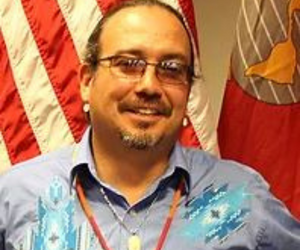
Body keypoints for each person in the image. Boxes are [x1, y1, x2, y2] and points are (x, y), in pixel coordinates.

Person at [0, 0, 300, 249]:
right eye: (129, 64)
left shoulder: (242, 195)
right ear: (87, 82)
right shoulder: (16, 196)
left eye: (171, 69)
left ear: (187, 89)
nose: (149, 86)